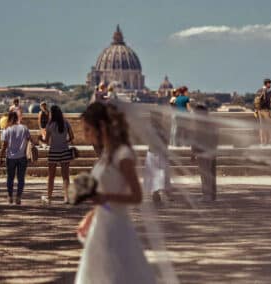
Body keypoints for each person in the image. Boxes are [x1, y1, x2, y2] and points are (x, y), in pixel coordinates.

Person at [75, 102, 156, 283]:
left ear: (101, 127)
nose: (86, 136)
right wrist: (90, 216)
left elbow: (137, 195)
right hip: (100, 225)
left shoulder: (123, 154)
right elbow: (104, 193)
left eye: (88, 130)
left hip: (117, 227)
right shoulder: (106, 155)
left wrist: (105, 198)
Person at [41, 105, 74, 205]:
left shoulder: (50, 125)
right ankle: (67, 197)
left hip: (53, 152)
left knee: (51, 176)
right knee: (65, 176)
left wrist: (39, 139)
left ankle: (49, 197)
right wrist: (65, 142)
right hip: (65, 151)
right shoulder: (66, 123)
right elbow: (72, 137)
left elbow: (46, 141)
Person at [0, 111, 31, 205]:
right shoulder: (24, 128)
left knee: (10, 178)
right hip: (22, 157)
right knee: (21, 178)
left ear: (9, 119)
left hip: (10, 157)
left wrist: (1, 157)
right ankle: (18, 197)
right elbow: (30, 141)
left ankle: (10, 197)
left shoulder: (7, 130)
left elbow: (4, 145)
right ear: (17, 118)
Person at [144, 111, 173, 204]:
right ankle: (157, 193)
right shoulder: (153, 128)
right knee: (158, 173)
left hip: (156, 152)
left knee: (161, 173)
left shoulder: (156, 128)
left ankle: (160, 193)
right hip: (155, 152)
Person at [191, 104, 218, 201]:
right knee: (210, 173)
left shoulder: (198, 124)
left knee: (205, 174)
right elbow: (215, 138)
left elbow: (195, 139)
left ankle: (207, 195)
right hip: (210, 150)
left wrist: (193, 152)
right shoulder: (211, 123)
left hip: (202, 151)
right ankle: (211, 194)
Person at [255, 78, 271, 145]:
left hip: (264, 111)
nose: (270, 84)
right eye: (269, 83)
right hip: (264, 111)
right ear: (266, 83)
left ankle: (266, 141)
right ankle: (267, 141)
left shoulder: (264, 91)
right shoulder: (265, 91)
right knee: (267, 127)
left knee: (265, 127)